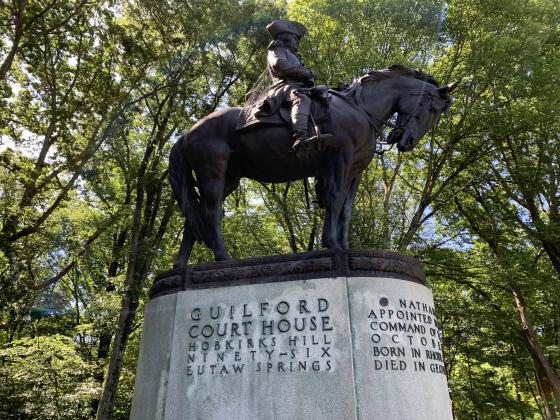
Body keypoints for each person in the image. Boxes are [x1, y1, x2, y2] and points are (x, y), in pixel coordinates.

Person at [265, 19, 321, 151]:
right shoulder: (276, 49)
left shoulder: (294, 55)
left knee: (324, 94)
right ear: (287, 38)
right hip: (285, 87)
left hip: (300, 86)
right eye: (296, 39)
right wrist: (307, 72)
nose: (297, 43)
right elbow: (280, 65)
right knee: (300, 98)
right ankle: (300, 138)